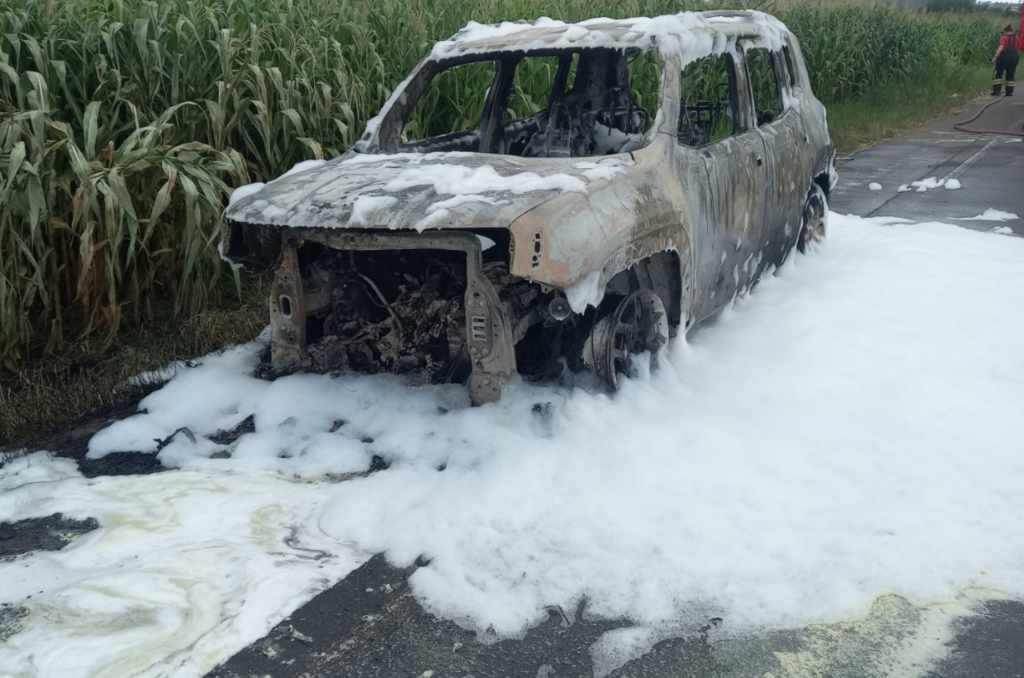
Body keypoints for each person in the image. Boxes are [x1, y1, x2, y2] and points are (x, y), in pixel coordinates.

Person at [992, 23, 1019, 97]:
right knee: (1010, 74)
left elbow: (1001, 47)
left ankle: (997, 91)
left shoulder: (1004, 37)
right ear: (1012, 30)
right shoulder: (1016, 38)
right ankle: (1009, 92)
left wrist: (995, 56)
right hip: (1014, 57)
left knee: (998, 74)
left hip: (1004, 57)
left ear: (1005, 31)